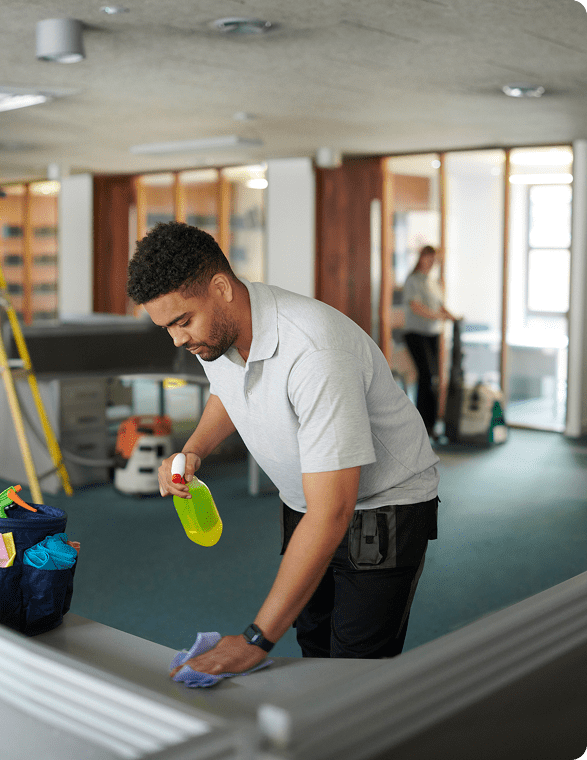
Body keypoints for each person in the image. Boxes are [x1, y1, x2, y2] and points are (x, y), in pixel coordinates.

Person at [126, 221, 440, 676]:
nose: (177, 339)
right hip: (306, 502)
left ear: (220, 289)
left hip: (384, 504)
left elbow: (333, 512)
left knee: (354, 670)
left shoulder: (315, 352)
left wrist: (255, 640)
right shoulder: (221, 333)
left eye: (183, 321)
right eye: (166, 328)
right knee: (314, 642)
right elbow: (229, 391)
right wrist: (194, 449)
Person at [402, 245, 459, 436]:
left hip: (433, 334)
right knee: (426, 375)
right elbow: (415, 306)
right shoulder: (413, 280)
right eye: (428, 257)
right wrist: (437, 316)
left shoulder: (434, 282)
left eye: (434, 259)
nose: (431, 262)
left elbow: (440, 306)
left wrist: (451, 316)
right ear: (420, 258)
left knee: (433, 377)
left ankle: (432, 423)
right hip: (416, 333)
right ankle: (422, 424)